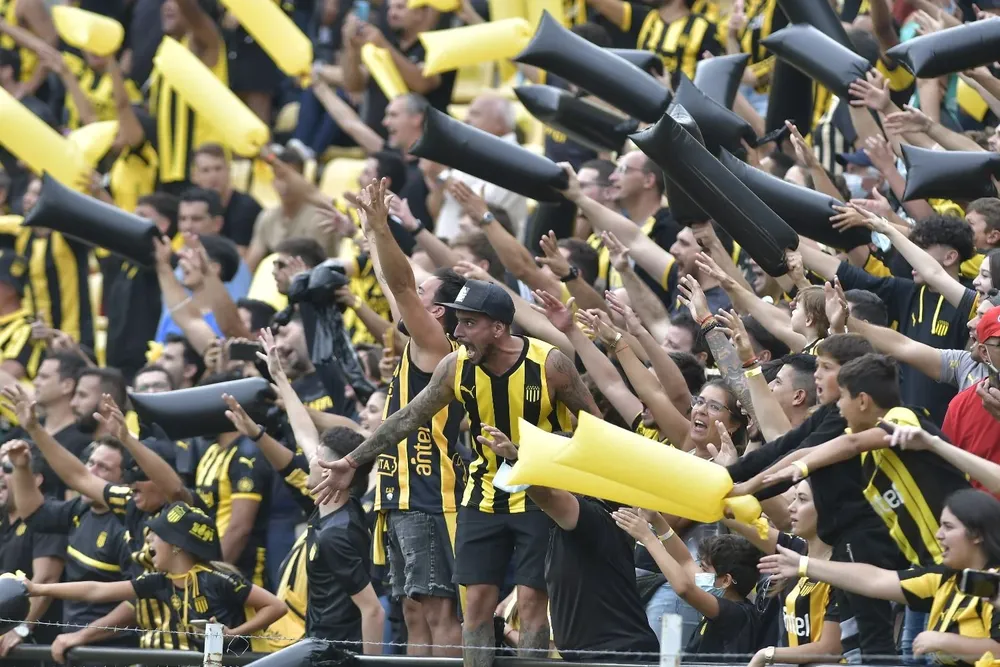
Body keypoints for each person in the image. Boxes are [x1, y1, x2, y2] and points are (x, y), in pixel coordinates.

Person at [311, 278, 599, 667]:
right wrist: (352, 462)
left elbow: (594, 430)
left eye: (468, 323)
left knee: (531, 602)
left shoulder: (549, 364)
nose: (458, 332)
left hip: (540, 495)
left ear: (498, 327)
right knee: (475, 605)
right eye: (458, 322)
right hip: (482, 497)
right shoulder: (455, 366)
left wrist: (530, 450)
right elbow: (409, 417)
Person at [357, 178, 466, 655]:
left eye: (424, 293)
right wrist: (370, 236)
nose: (411, 295)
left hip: (429, 492)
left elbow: (400, 284)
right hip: (399, 494)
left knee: (439, 611)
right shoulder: (420, 339)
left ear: (437, 311)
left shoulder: (437, 345)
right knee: (412, 611)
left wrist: (384, 230)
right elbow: (393, 284)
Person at [760, 489, 1000, 667]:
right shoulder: (944, 580)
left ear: (976, 534)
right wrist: (804, 565)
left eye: (948, 527)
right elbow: (874, 580)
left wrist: (945, 642)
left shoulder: (996, 584)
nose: (938, 535)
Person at [479, 427, 659, 662]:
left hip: (620, 658)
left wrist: (516, 461)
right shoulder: (558, 529)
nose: (542, 478)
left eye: (546, 469)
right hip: (587, 658)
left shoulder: (595, 517)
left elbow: (549, 497)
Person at [21, 501, 288, 652]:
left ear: (176, 545)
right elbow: (97, 590)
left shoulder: (218, 579)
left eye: (155, 537)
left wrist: (234, 634)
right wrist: (38, 589)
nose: (148, 543)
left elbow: (276, 606)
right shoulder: (159, 581)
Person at [3, 438, 138, 656]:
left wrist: (82, 635)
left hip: (112, 653)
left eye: (103, 468)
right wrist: (21, 468)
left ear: (123, 481)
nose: (90, 472)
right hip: (72, 648)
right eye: (90, 462)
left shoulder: (127, 529)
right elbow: (35, 514)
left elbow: (138, 601)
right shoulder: (81, 508)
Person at [614, 507, 763, 660]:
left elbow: (684, 589)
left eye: (704, 569)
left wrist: (647, 537)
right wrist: (657, 520)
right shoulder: (727, 604)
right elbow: (685, 561)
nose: (698, 574)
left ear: (726, 580)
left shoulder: (738, 615)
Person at [726, 480, 842, 667]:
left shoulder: (844, 568)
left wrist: (767, 654)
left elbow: (830, 648)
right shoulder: (797, 550)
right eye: (794, 498)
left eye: (802, 499)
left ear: (826, 507)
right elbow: (730, 518)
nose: (791, 507)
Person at [0, 443, 65, 658]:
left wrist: (21, 628)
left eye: (7, 468)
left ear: (35, 479)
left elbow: (46, 579)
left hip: (32, 647)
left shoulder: (49, 517)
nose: (0, 474)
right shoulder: (3, 517)